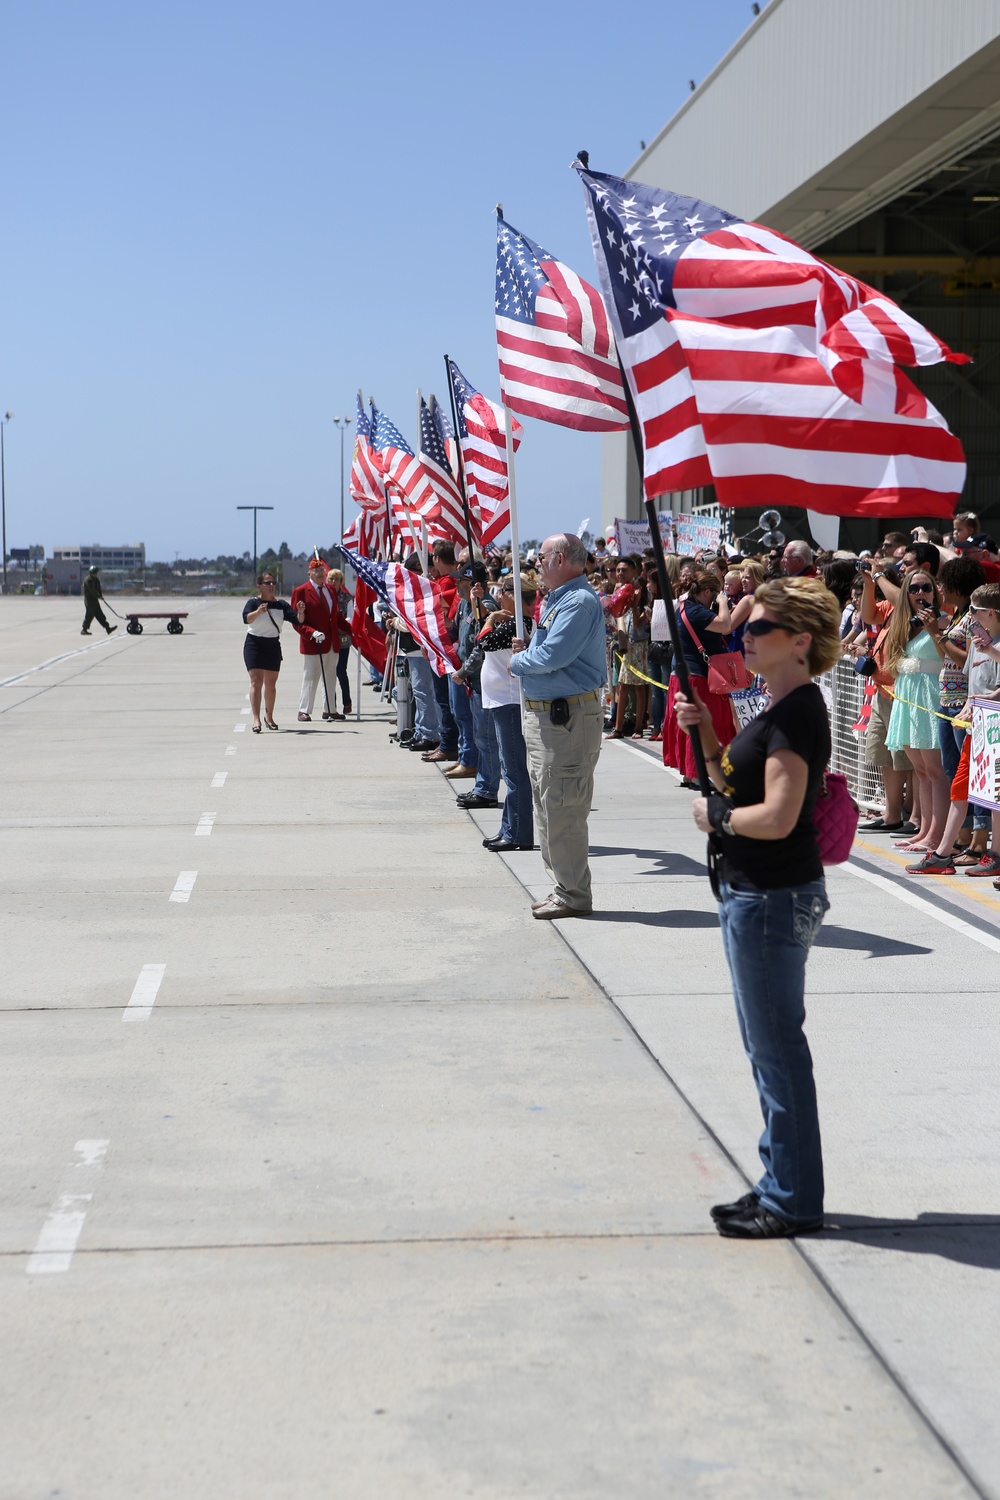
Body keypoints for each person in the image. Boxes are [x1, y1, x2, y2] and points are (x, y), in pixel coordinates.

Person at [674, 576, 841, 1238]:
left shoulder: (798, 711)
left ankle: (792, 1200)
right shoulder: (774, 707)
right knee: (765, 1048)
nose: (743, 636)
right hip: (755, 894)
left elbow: (775, 817)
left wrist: (717, 819)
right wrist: (709, 744)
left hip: (772, 896)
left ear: (799, 642)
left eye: (757, 629)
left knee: (777, 1053)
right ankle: (779, 1182)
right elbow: (734, 783)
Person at [510, 533, 606, 919]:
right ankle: (564, 887)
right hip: (549, 718)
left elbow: (553, 655)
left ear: (562, 558)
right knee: (548, 804)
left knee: (563, 804)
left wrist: (519, 661)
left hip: (566, 720)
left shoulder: (579, 602)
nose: (538, 563)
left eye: (543, 557)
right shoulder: (560, 600)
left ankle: (573, 894)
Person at [883, 569, 951, 854]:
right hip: (908, 698)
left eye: (926, 587)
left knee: (935, 771)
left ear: (935, 592)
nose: (921, 593)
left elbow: (947, 656)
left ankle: (936, 835)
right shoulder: (902, 624)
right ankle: (924, 829)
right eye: (914, 588)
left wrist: (934, 628)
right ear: (906, 595)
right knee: (921, 771)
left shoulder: (943, 620)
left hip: (930, 696)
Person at [477, 576, 537, 850]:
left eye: (502, 592)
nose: (499, 596)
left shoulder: (518, 623)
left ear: (513, 596)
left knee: (513, 770)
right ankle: (510, 828)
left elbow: (484, 643)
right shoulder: (516, 622)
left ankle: (517, 833)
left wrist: (489, 621)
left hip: (508, 701)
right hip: (502, 700)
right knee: (509, 768)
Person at [662, 569, 734, 785]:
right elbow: (726, 625)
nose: (714, 599)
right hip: (698, 677)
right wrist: (722, 601)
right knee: (708, 724)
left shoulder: (682, 608)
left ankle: (690, 774)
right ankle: (700, 775)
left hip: (683, 675)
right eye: (714, 594)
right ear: (706, 591)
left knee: (688, 726)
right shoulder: (697, 611)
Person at [291, 557, 353, 722]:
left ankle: (330, 709)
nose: (320, 573)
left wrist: (353, 630)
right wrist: (311, 633)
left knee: (331, 676)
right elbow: (297, 622)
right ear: (309, 573)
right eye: (316, 570)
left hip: (332, 642)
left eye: (321, 570)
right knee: (311, 677)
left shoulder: (330, 590)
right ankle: (304, 710)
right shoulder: (301, 591)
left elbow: (336, 617)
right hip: (314, 643)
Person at [242, 572, 305, 732]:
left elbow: (297, 620)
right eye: (267, 582)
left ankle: (269, 717)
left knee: (270, 684)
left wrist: (301, 611)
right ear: (259, 586)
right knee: (256, 681)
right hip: (254, 643)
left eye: (273, 582)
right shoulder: (253, 602)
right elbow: (246, 619)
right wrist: (258, 612)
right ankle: (256, 719)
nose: (271, 585)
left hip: (272, 645)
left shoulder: (281, 605)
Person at [327, 568, 354, 716]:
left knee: (340, 671)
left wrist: (337, 624)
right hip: (328, 640)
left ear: (341, 582)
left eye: (336, 579)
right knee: (329, 672)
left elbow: (350, 618)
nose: (333, 582)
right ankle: (331, 705)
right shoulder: (325, 597)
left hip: (342, 639)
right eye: (330, 579)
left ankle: (347, 702)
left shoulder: (347, 599)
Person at [81, 567, 118, 636]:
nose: (96, 574)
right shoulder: (87, 580)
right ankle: (84, 629)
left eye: (96, 573)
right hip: (89, 601)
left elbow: (98, 589)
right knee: (89, 615)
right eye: (95, 573)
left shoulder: (96, 580)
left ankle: (107, 628)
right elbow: (92, 590)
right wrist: (98, 596)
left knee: (100, 614)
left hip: (95, 600)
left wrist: (100, 595)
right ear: (91, 573)